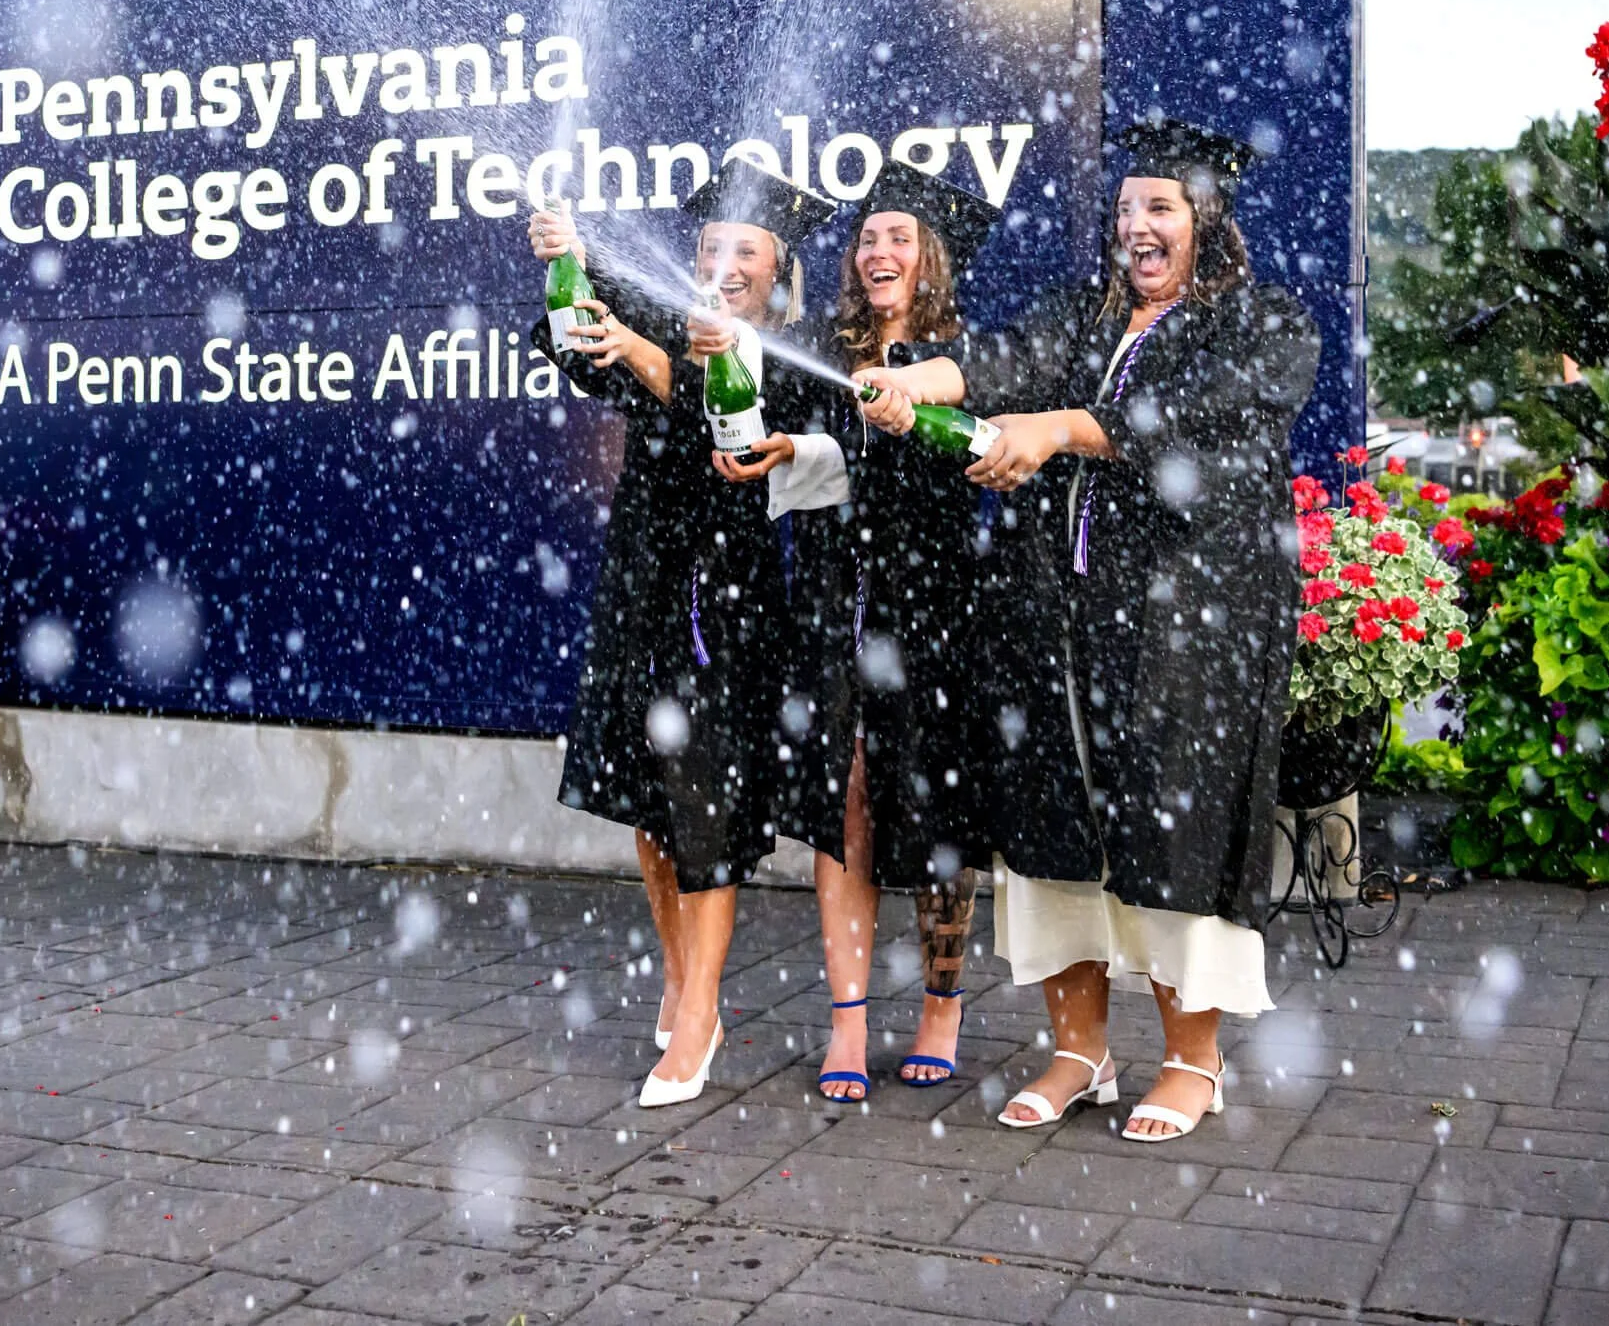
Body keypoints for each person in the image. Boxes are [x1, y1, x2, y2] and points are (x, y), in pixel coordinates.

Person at [856, 118, 1319, 1142]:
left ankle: (1192, 1064)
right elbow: (997, 358)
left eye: (1159, 207)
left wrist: (1061, 428)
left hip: (1183, 631)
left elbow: (1192, 417)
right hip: (1054, 624)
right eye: (1122, 209)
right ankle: (1079, 1050)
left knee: (1169, 829)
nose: (1136, 227)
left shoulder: (1264, 324)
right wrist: (910, 382)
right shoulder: (1083, 315)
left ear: (1206, 221)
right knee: (1054, 828)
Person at [529, 157, 840, 1109]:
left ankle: (699, 1013)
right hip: (644, 580)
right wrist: (568, 261)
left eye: (747, 247)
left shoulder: (794, 346)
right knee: (648, 803)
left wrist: (650, 351)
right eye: (712, 245)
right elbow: (576, 345)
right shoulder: (666, 317)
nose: (725, 261)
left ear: (779, 267)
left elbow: (735, 436)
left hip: (725, 601)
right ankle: (678, 972)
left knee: (702, 798)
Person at [718, 161, 1002, 1102]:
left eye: (901, 236)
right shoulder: (822, 354)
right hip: (840, 605)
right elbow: (803, 459)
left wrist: (915, 409)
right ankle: (845, 1020)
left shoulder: (968, 355)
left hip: (936, 611)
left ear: (931, 259)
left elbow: (976, 467)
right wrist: (787, 449)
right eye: (869, 236)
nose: (880, 250)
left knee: (934, 813)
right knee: (846, 802)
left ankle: (941, 1006)